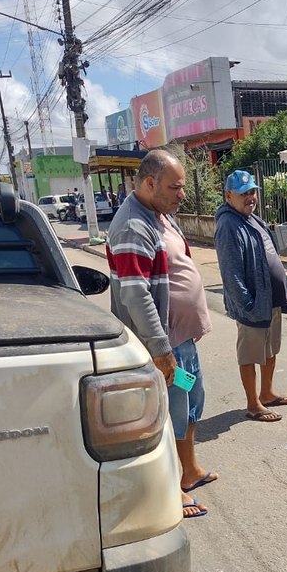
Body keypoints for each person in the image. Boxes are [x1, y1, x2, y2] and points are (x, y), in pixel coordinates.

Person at [106, 149, 214, 519]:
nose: (182, 194)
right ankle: (171, 489)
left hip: (180, 340)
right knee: (167, 415)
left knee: (191, 404)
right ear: (150, 183)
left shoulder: (159, 214)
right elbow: (135, 293)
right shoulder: (133, 225)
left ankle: (190, 470)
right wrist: (160, 349)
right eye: (175, 187)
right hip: (164, 345)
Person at [215, 170, 287, 423]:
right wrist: (247, 304)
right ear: (229, 196)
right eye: (244, 193)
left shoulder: (252, 219)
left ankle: (267, 393)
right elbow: (230, 272)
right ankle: (253, 404)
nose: (250, 197)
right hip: (252, 304)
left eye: (252, 192)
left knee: (271, 349)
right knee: (250, 354)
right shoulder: (228, 225)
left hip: (270, 299)